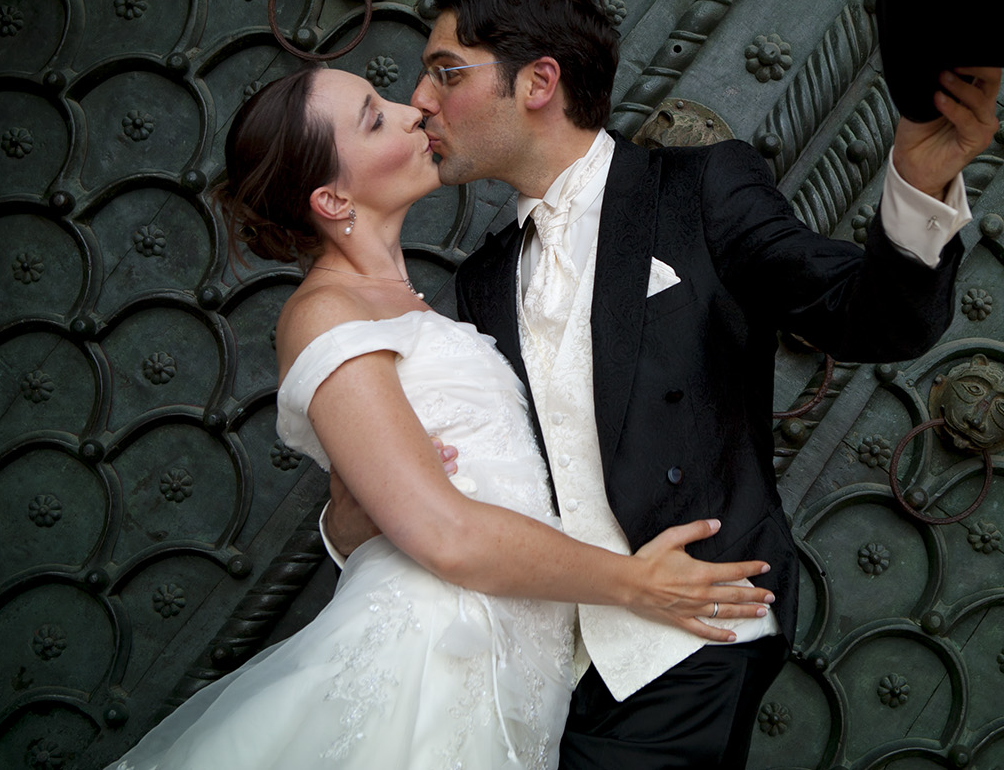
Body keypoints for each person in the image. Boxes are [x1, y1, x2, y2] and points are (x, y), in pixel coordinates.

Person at [323, 0, 1001, 768]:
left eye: (445, 71)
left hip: (699, 626)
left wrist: (921, 184)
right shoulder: (483, 280)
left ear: (537, 82)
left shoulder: (700, 188)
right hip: (542, 670)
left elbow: (870, 318)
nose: (421, 100)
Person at [105, 65, 776, 770]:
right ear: (333, 197)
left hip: (516, 668)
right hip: (430, 657)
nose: (410, 110)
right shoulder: (326, 312)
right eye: (373, 116)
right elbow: (447, 532)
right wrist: (637, 582)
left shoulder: (421, 304)